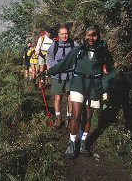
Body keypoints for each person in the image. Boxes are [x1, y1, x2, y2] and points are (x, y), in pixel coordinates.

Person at [43, 26, 115, 159]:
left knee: (87, 117)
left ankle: (83, 142)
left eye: (94, 35)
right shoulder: (78, 50)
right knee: (76, 115)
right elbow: (64, 64)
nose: (91, 38)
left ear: (98, 36)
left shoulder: (103, 52)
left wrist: (106, 89)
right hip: (78, 84)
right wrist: (49, 71)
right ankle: (72, 142)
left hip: (94, 87)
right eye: (88, 35)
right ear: (85, 36)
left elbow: (109, 71)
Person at [47, 26, 78, 130]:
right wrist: (56, 66)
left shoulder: (74, 44)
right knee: (58, 97)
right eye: (62, 34)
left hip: (71, 76)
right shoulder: (54, 45)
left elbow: (80, 56)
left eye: (66, 33)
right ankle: (58, 118)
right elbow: (49, 59)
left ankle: (69, 119)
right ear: (59, 35)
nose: (65, 36)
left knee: (70, 98)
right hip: (58, 76)